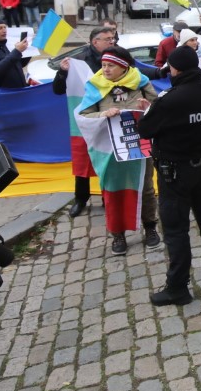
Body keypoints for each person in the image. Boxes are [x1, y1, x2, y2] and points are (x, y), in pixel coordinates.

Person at [138, 43, 201, 307]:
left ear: (176, 69)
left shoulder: (170, 99)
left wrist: (147, 109)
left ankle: (177, 287)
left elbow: (146, 129)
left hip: (176, 171)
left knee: (176, 228)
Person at [77, 46, 161, 255]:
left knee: (146, 188)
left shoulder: (140, 82)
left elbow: (159, 106)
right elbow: (83, 116)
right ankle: (118, 234)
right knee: (113, 191)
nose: (105, 69)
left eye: (110, 65)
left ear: (123, 67)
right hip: (110, 151)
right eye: (104, 65)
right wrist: (103, 114)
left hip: (138, 147)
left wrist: (147, 108)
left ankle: (150, 227)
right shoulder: (95, 86)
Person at [53, 27, 119, 216]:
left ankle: (109, 197)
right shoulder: (78, 61)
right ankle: (81, 198)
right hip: (84, 119)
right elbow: (57, 89)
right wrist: (63, 72)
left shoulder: (117, 58)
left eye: (112, 38)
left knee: (108, 158)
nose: (111, 41)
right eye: (107, 39)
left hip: (109, 115)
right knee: (83, 159)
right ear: (94, 41)